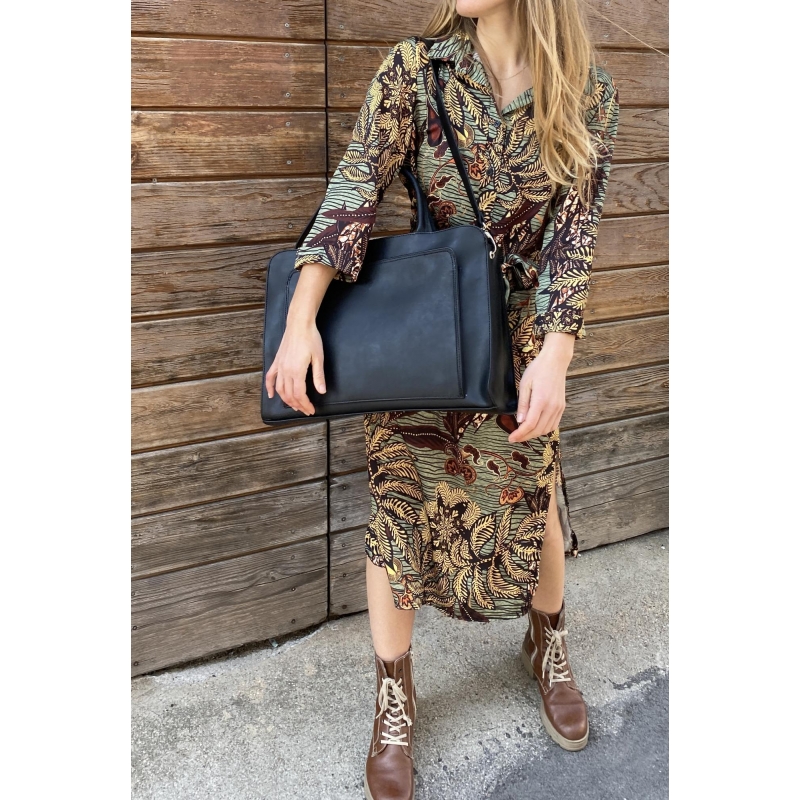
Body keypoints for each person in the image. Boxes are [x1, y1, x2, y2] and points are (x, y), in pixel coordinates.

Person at [265, 1, 619, 797]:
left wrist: (556, 355)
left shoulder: (587, 92)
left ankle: (547, 644)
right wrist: (301, 318)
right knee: (399, 505)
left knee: (534, 496)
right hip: (426, 333)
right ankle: (394, 696)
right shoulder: (415, 70)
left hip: (522, 345)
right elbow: (356, 184)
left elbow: (574, 239)